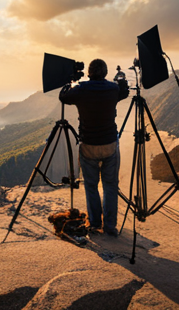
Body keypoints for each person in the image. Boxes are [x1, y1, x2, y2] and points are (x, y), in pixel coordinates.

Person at [59, 58, 129, 236]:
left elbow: (63, 97)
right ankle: (110, 226)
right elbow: (124, 92)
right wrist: (121, 79)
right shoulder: (113, 89)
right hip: (109, 144)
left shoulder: (81, 90)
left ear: (88, 73)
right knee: (110, 185)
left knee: (91, 186)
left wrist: (70, 81)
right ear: (105, 73)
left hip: (88, 144)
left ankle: (95, 223)